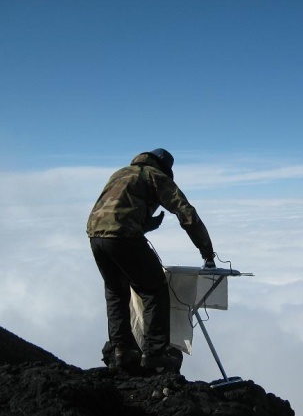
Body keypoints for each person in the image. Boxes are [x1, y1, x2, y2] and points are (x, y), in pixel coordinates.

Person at [87, 148, 215, 372]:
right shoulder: (156, 176)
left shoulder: (121, 173)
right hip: (123, 237)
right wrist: (207, 252)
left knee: (116, 291)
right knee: (154, 289)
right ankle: (156, 354)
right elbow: (187, 214)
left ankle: (122, 351)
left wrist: (147, 226)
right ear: (164, 168)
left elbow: (114, 212)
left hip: (96, 237)